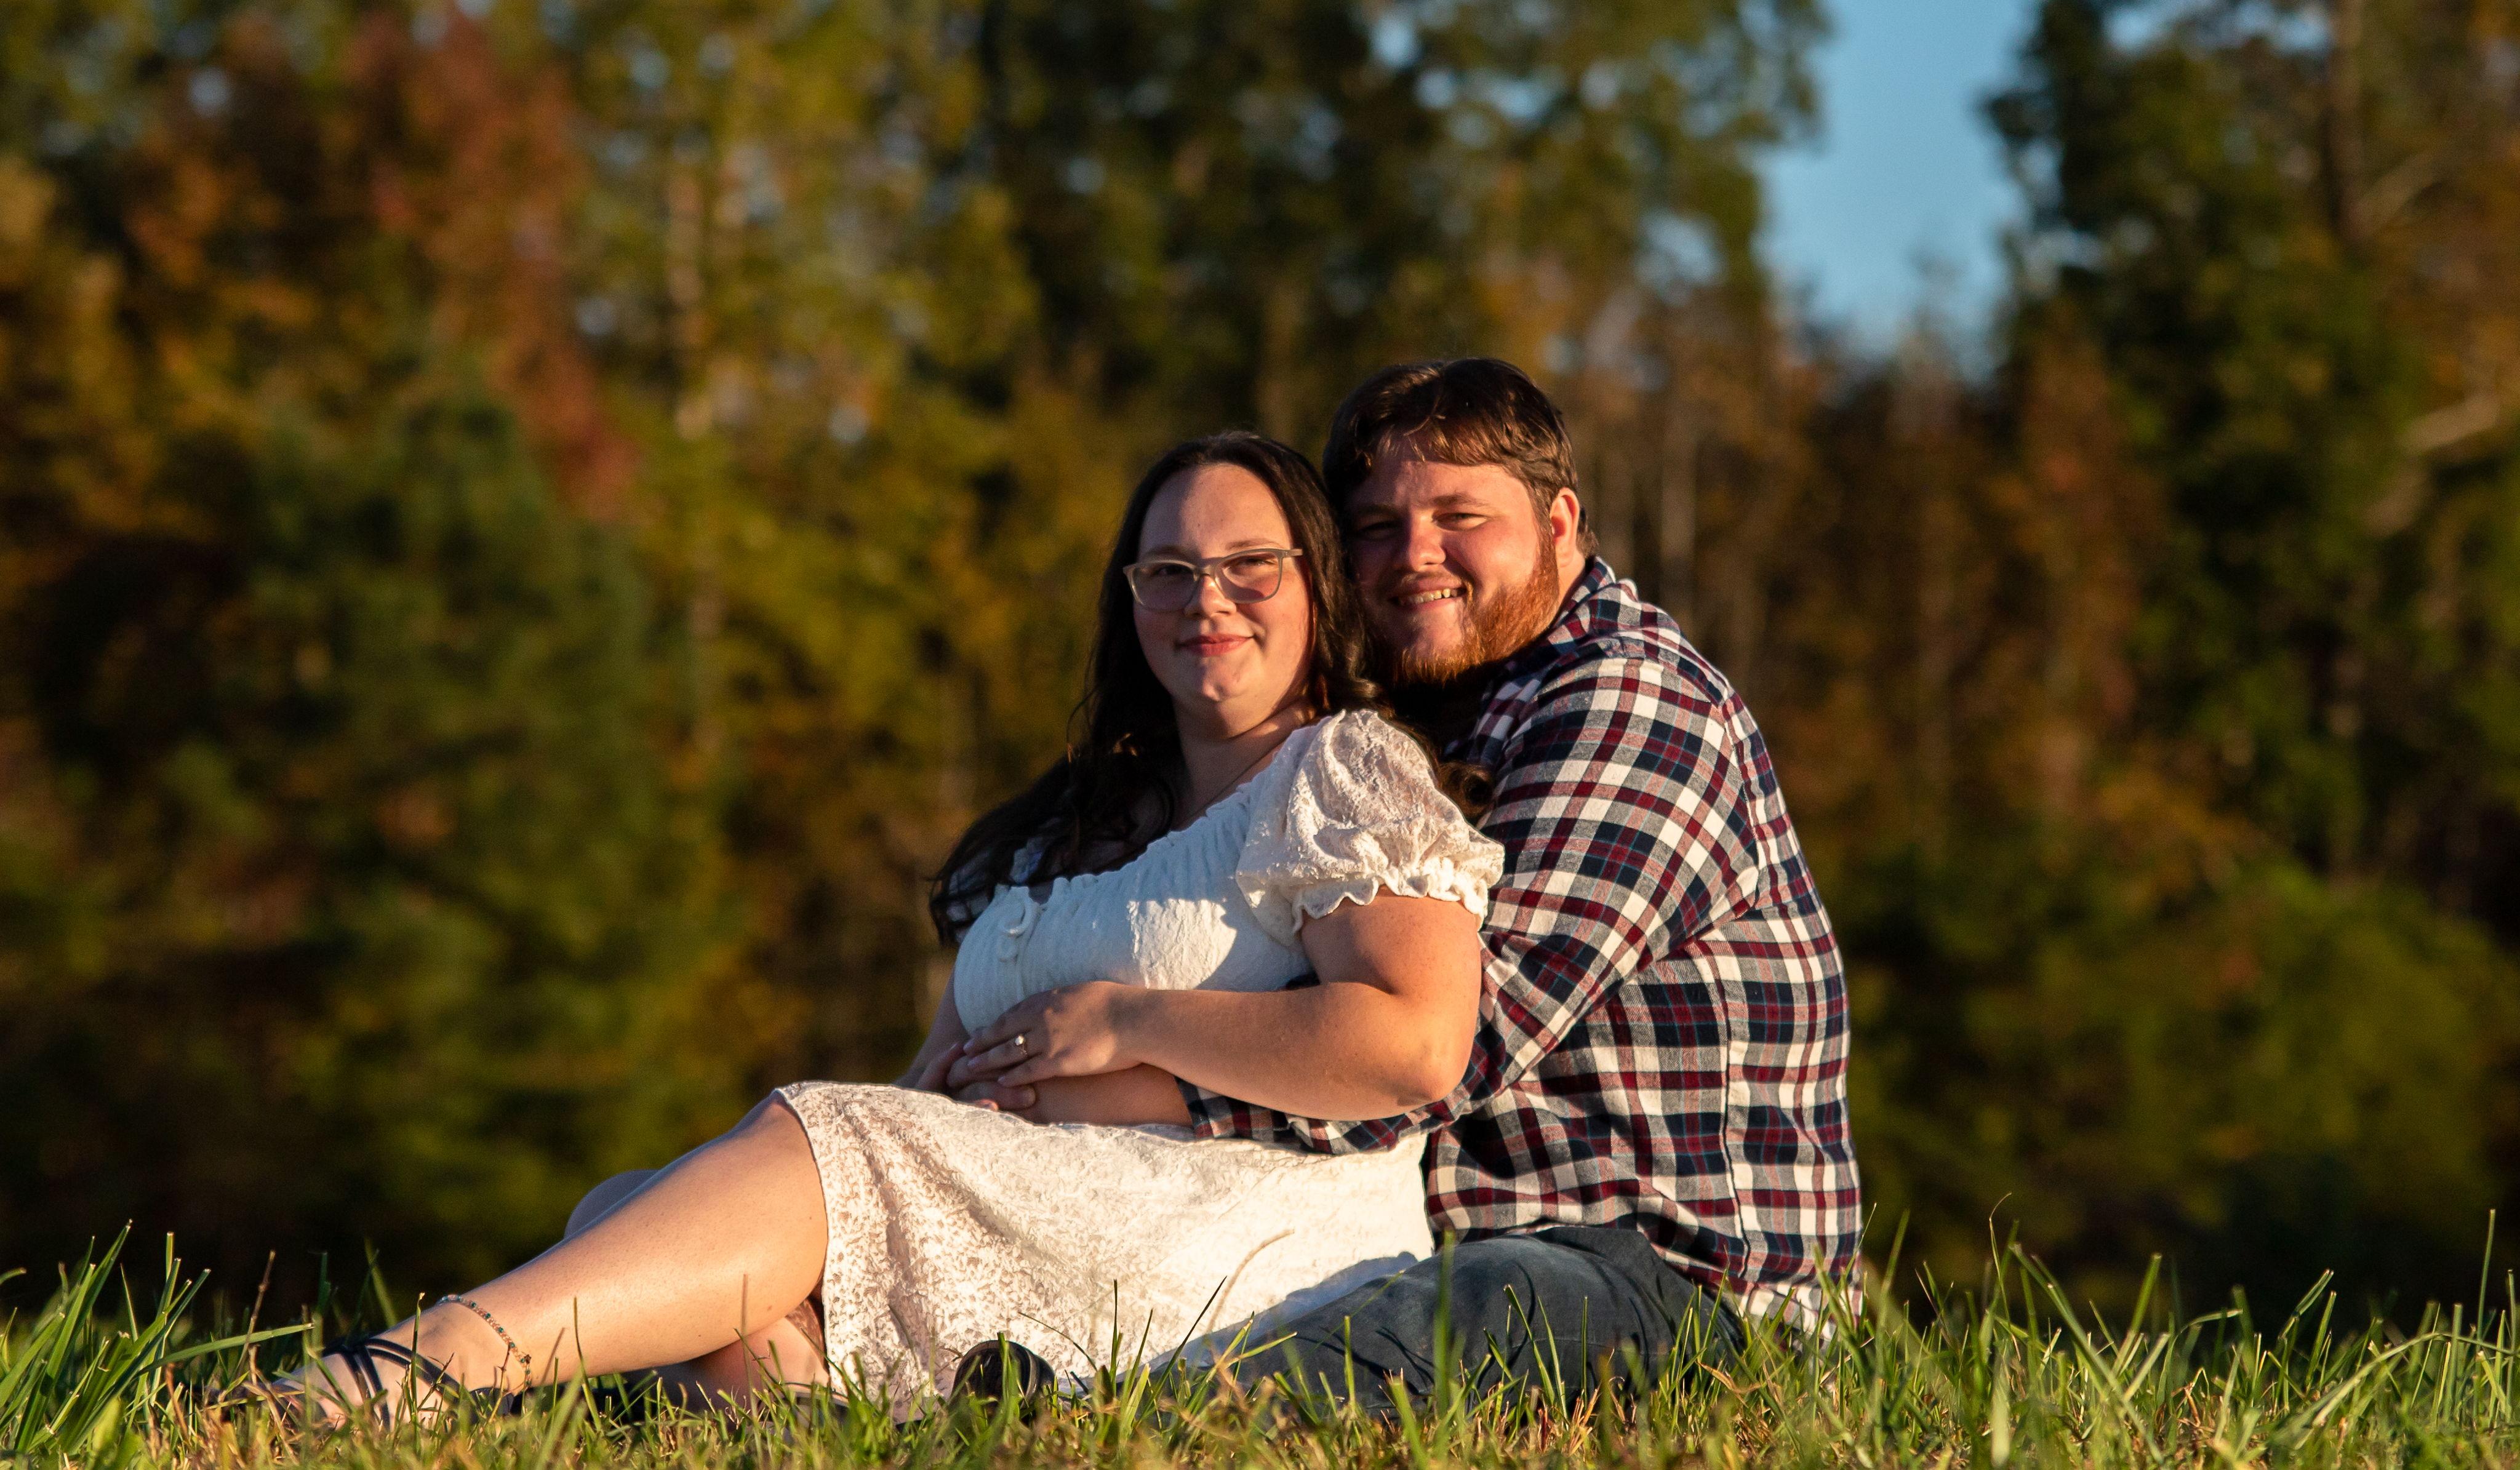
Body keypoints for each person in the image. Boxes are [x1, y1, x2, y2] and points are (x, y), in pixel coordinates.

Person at [262, 431, 1506, 1420]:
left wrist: (1130, 1018)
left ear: (1314, 585)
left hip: (1236, 1229)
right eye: (1167, 572)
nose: (1206, 600)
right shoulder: (1075, 822)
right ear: (1128, 599)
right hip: (1025, 1189)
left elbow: (1412, 1046)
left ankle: (410, 1372)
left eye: (1249, 566)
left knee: (804, 1159)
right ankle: (820, 1422)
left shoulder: (1341, 772)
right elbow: (929, 1080)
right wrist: (874, 1130)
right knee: (632, 1213)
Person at [948, 359, 1862, 1411]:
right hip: (1418, 1239)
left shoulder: (1632, 703)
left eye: (1459, 516)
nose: (1415, 554)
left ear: (1562, 522)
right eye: (1377, 527)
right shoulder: (1401, 716)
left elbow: (1444, 1048)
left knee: (1493, 1297)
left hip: (1678, 1279)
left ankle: (1123, 1420)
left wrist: (1104, 1053)